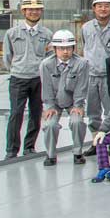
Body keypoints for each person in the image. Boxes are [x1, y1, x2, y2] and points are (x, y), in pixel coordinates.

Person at [3, 0, 52, 160]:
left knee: (35, 113)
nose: (34, 12)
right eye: (30, 9)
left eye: (37, 9)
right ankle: (11, 150)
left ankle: (29, 147)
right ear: (23, 11)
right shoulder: (12, 33)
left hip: (38, 79)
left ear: (41, 11)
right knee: (16, 113)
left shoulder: (46, 34)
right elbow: (7, 57)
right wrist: (17, 68)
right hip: (18, 78)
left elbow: (50, 57)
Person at [81, 0, 110, 155]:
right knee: (93, 112)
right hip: (91, 75)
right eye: (99, 6)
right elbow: (84, 48)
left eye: (107, 6)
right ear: (94, 8)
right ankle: (96, 141)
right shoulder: (86, 27)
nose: (103, 9)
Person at [39, 30, 89, 166]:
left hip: (73, 101)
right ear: (55, 49)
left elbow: (81, 87)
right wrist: (49, 106)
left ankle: (78, 153)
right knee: (50, 125)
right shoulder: (46, 65)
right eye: (61, 48)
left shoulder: (82, 63)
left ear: (73, 48)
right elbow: (46, 87)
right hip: (54, 102)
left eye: (68, 48)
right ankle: (50, 155)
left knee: (77, 122)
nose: (65, 52)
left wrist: (78, 105)